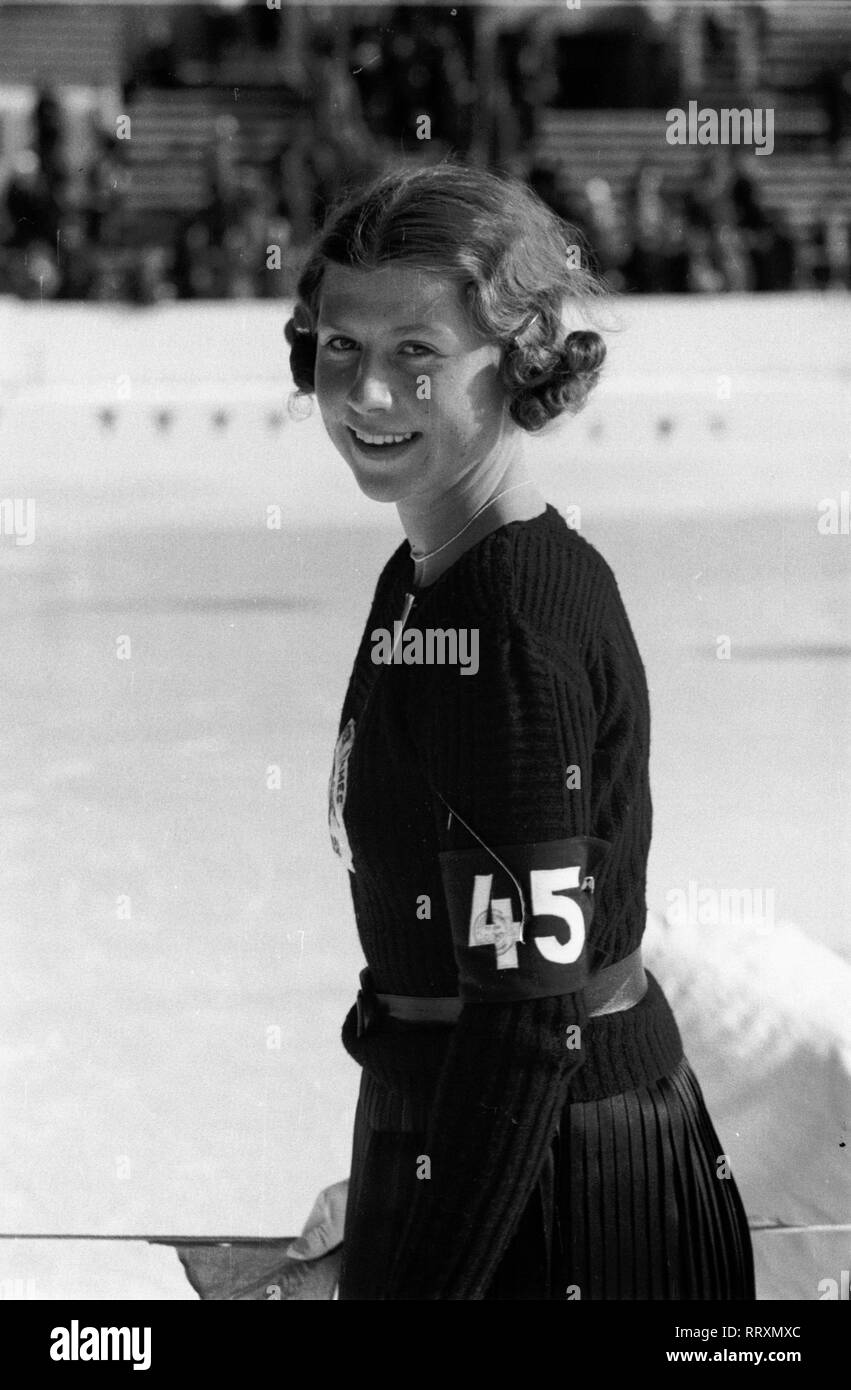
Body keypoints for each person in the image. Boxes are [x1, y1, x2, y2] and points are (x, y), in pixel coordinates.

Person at [284, 162, 756, 1301]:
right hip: (487, 1150)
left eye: (416, 355)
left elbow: (525, 1027)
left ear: (519, 355)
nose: (368, 396)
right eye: (341, 348)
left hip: (562, 1200)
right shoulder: (426, 572)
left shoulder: (507, 618)